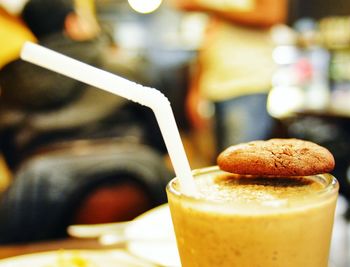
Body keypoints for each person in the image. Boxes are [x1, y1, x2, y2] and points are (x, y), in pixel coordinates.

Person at [0, 0, 170, 244]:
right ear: (72, 23)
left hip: (37, 180)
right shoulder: (123, 66)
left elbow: (8, 146)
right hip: (137, 167)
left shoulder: (13, 82)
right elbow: (160, 136)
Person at [170, 0, 287, 156]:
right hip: (215, 87)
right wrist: (196, 90)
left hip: (246, 84)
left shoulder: (213, 6)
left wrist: (204, 5)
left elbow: (270, 15)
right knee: (222, 163)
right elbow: (208, 40)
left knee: (242, 166)